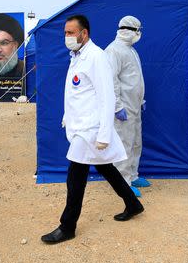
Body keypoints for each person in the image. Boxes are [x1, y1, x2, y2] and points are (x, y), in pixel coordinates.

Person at [41, 14, 144, 244]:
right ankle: (133, 203)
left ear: (84, 33)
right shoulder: (77, 56)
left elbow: (107, 97)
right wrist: (67, 116)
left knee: (75, 177)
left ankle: (67, 226)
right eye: (65, 33)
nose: (67, 37)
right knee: (106, 167)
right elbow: (77, 92)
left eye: (71, 32)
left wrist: (105, 134)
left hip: (91, 129)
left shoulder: (96, 57)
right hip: (80, 126)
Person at [105, 15, 149, 197]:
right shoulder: (113, 51)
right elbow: (111, 81)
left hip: (134, 105)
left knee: (135, 141)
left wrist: (141, 100)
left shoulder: (130, 50)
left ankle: (133, 175)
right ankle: (123, 181)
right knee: (124, 143)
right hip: (122, 107)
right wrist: (117, 107)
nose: (138, 34)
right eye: (137, 31)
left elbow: (134, 78)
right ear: (130, 31)